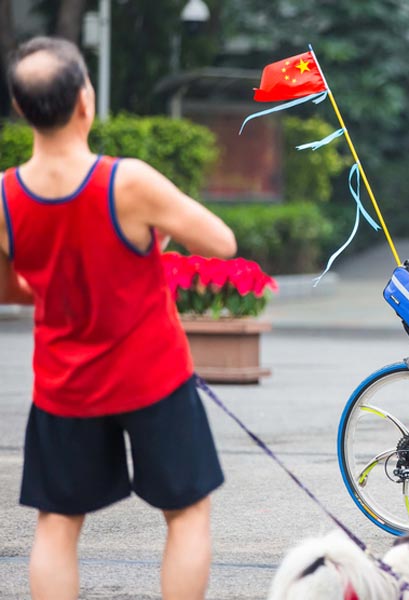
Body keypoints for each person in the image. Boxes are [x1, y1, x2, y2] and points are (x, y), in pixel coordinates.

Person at [0, 37, 237, 600]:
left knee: (57, 524)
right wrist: (155, 229)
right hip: (154, 379)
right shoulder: (126, 181)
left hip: (64, 387)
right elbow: (222, 242)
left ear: (19, 108)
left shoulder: (6, 197)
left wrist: (47, 290)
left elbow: (9, 287)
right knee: (185, 514)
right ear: (86, 101)